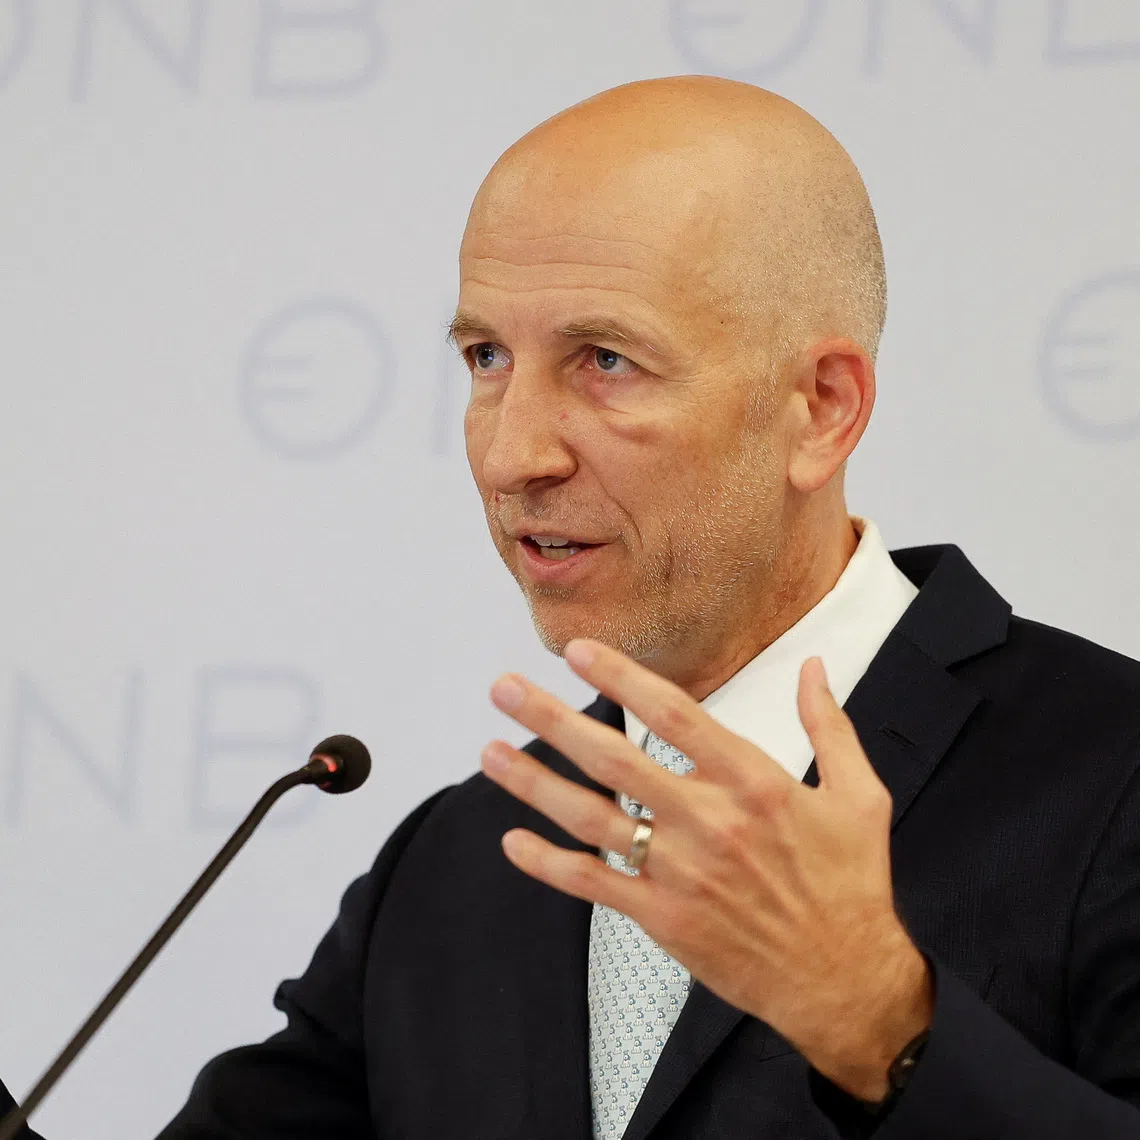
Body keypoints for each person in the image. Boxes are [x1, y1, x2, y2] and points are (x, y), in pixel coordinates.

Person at [4, 75, 1140, 1139]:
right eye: (486, 355)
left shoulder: (1110, 774)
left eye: (605, 359)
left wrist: (888, 1028)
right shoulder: (460, 863)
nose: (511, 454)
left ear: (821, 410)